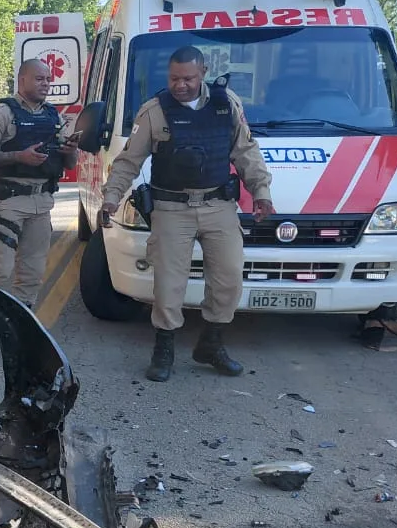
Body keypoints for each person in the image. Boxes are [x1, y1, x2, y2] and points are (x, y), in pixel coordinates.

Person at [100, 45, 275, 382]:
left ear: (203, 72)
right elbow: (128, 162)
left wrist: (261, 193)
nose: (181, 85)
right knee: (168, 284)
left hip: (219, 206)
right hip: (171, 209)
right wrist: (111, 198)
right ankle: (164, 348)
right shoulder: (154, 111)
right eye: (174, 78)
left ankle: (211, 343)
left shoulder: (227, 104)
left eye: (189, 78)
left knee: (229, 278)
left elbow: (246, 152)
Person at [0, 59, 81, 305]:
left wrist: (71, 149)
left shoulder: (53, 115)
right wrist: (18, 156)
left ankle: (23, 321)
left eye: (48, 79)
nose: (46, 84)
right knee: (0, 271)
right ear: (22, 80)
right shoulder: (2, 114)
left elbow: (71, 164)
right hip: (10, 202)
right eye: (39, 79)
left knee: (32, 274)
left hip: (42, 204)